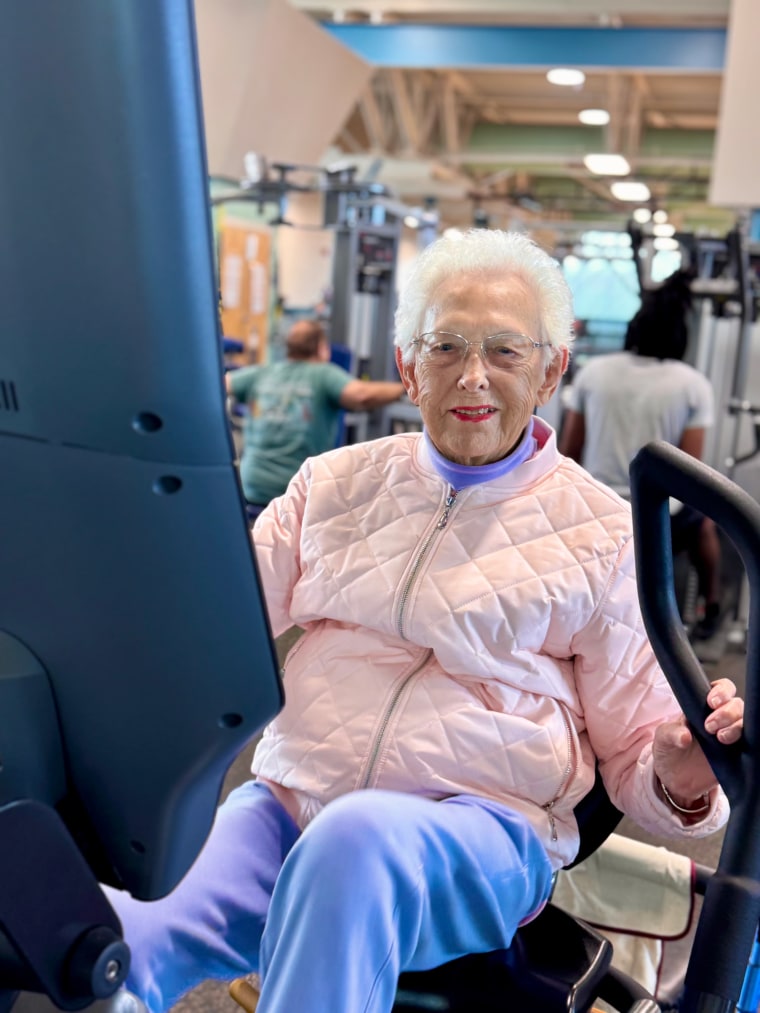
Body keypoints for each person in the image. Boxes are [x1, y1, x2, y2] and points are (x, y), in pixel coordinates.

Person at [107, 230, 743, 1013]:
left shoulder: (606, 535)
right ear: (408, 365)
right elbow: (207, 629)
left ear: (551, 370)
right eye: (446, 345)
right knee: (116, 939)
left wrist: (684, 771)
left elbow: (642, 766)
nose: (472, 376)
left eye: (505, 352)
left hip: (483, 835)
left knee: (354, 845)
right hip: (293, 801)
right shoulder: (332, 485)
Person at [558, 268, 723, 640]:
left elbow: (569, 453)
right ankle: (712, 608)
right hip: (661, 519)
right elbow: (689, 472)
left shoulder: (593, 373)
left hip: (595, 509)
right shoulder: (692, 384)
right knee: (707, 526)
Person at [226, 318, 406, 515]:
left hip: (248, 491)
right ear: (322, 348)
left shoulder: (263, 373)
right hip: (296, 498)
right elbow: (362, 395)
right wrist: (407, 387)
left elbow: (217, 385)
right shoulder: (323, 374)